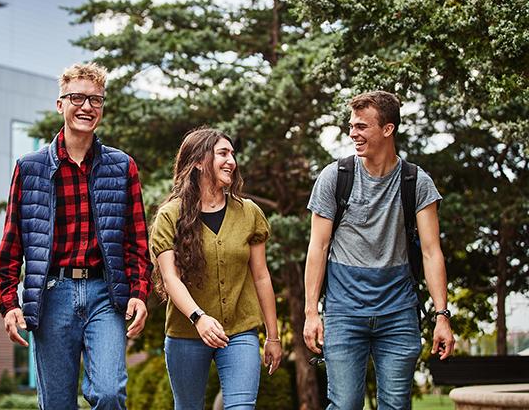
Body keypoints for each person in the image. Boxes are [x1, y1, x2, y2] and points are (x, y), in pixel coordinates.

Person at [0, 62, 153, 410]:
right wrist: (8, 303)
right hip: (52, 296)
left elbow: (136, 242)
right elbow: (12, 243)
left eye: (95, 100)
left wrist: (138, 293)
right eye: (77, 98)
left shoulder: (123, 166)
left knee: (109, 392)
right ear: (60, 104)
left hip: (105, 295)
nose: (86, 107)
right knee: (57, 403)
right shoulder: (29, 167)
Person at [303, 91, 455, 409]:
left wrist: (442, 315)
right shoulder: (335, 177)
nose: (353, 134)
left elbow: (431, 252)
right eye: (351, 126)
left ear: (387, 129)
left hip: (398, 313)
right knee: (344, 404)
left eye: (361, 127)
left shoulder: (417, 182)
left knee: (396, 405)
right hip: (344, 312)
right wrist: (311, 312)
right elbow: (317, 247)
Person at [150, 127, 282, 410]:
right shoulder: (169, 216)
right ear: (198, 161)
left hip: (241, 330)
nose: (231, 161)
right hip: (186, 333)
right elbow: (170, 278)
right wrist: (199, 318)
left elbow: (261, 276)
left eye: (232, 154)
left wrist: (273, 336)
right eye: (222, 153)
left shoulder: (249, 212)